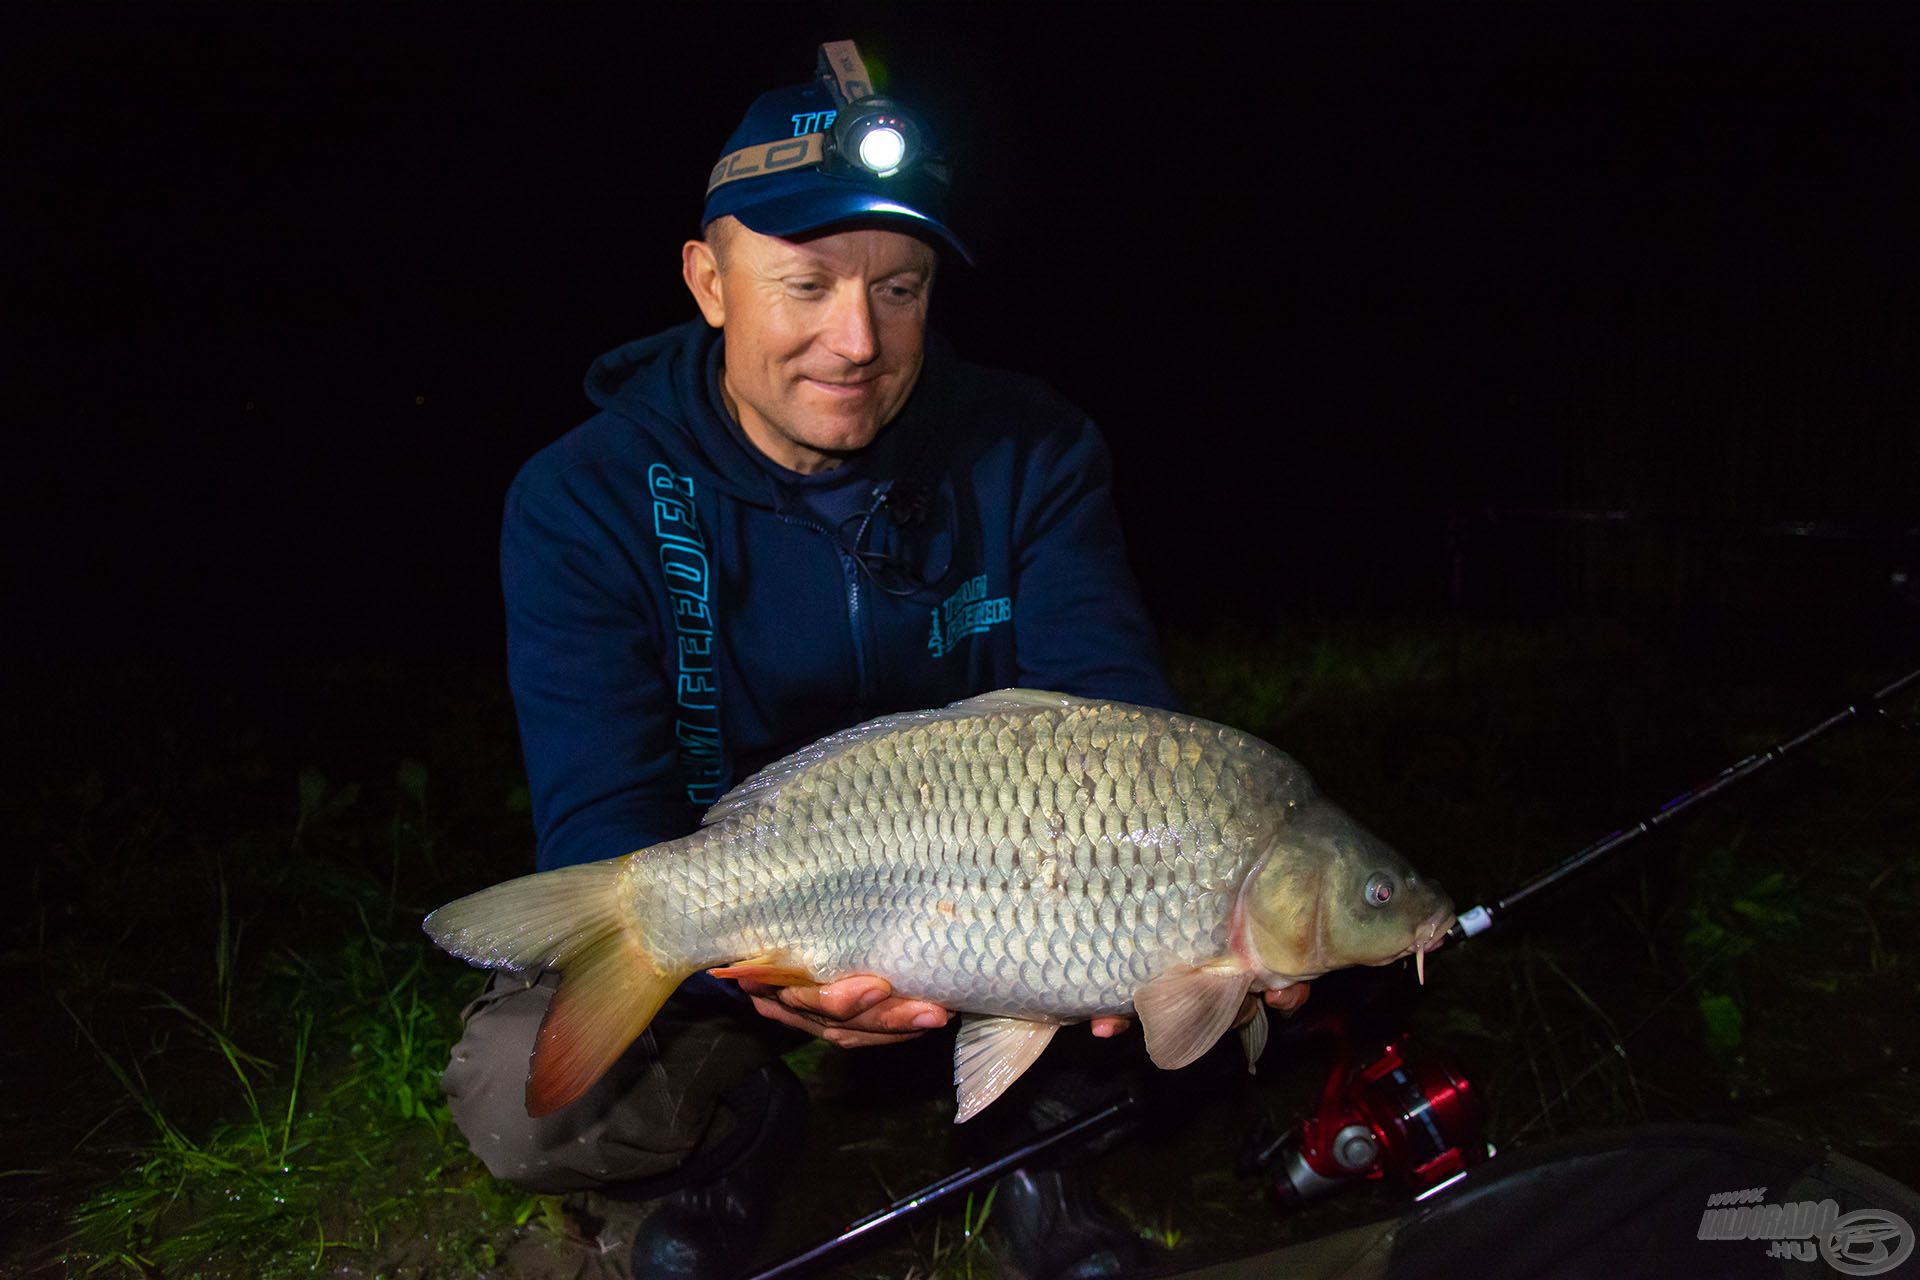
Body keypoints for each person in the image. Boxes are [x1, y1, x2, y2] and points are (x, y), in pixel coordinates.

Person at [441, 41, 1303, 1279]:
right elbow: (602, 820)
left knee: (1233, 950)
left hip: (1011, 920)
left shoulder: (1032, 450)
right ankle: (738, 1128)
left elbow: (1124, 727)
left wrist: (1155, 914)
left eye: (899, 289)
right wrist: (771, 988)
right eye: (804, 283)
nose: (856, 339)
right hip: (745, 926)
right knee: (519, 1092)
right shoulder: (581, 498)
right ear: (709, 280)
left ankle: (1036, 1159)